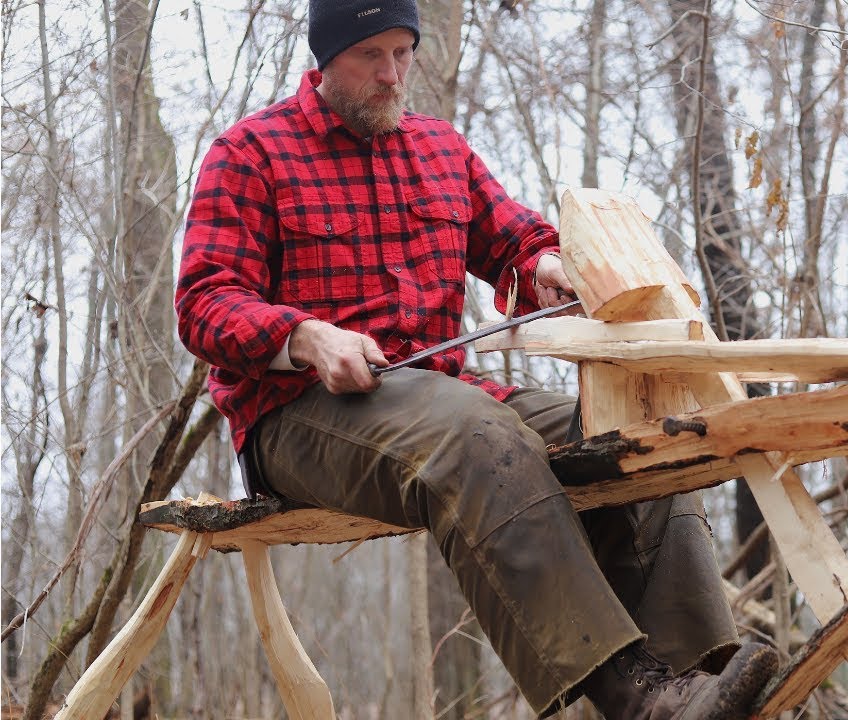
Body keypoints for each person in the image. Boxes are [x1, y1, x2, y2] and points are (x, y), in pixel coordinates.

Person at [175, 1, 779, 717]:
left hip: (443, 393)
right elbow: (204, 303)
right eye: (371, 55)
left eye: (403, 52)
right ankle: (636, 696)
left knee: (640, 437)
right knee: (475, 436)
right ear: (327, 57)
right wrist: (306, 336)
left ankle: (702, 684)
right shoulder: (250, 153)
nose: (392, 74)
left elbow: (516, 241)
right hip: (298, 416)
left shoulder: (439, 149)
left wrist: (547, 265)